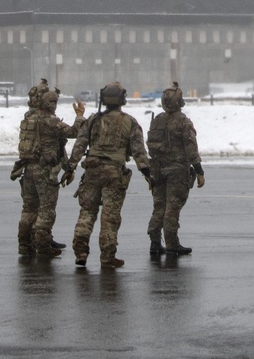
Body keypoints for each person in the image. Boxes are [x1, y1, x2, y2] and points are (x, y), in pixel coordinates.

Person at [65, 81, 150, 269]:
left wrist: (70, 167)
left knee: (87, 211)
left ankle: (81, 251)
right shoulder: (130, 121)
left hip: (92, 171)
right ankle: (107, 256)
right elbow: (138, 152)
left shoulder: (93, 120)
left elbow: (79, 145)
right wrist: (147, 173)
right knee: (110, 216)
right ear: (122, 100)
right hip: (114, 172)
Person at [12, 83, 85, 258]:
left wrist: (67, 166)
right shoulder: (51, 121)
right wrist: (80, 116)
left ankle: (24, 244)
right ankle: (43, 246)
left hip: (28, 169)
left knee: (29, 209)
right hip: (45, 171)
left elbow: (59, 145)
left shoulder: (29, 117)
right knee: (46, 209)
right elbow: (74, 132)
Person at [146, 81, 205, 258]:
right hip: (177, 171)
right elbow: (191, 148)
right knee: (172, 208)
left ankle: (155, 242)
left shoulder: (157, 121)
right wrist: (199, 171)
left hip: (158, 169)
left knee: (159, 206)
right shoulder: (183, 122)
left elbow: (151, 146)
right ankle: (172, 243)